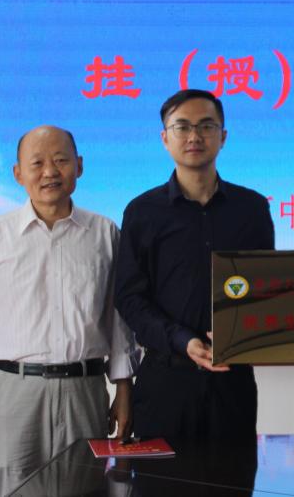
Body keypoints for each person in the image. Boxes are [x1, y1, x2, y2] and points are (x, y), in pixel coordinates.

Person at [0, 126, 135, 495]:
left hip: (85, 391)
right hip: (15, 393)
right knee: (16, 489)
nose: (50, 171)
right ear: (18, 173)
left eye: (61, 160)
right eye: (37, 163)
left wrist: (124, 392)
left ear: (79, 166)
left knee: (85, 488)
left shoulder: (105, 234)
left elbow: (119, 324)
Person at [114, 89, 274, 437]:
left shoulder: (252, 209)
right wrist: (182, 339)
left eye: (206, 126)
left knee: (234, 470)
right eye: (182, 126)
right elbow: (130, 298)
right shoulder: (142, 212)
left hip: (232, 382)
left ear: (223, 136)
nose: (194, 136)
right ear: (165, 138)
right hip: (166, 379)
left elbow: (268, 288)